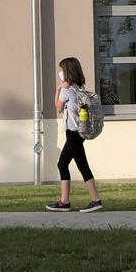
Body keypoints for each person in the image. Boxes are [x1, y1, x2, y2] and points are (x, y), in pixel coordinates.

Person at [46, 57, 103, 213]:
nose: (60, 73)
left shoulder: (66, 90)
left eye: (62, 70)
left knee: (81, 165)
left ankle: (95, 200)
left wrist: (58, 89)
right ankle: (64, 202)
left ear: (67, 72)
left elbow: (58, 108)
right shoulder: (79, 88)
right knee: (63, 164)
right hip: (80, 132)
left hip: (73, 133)